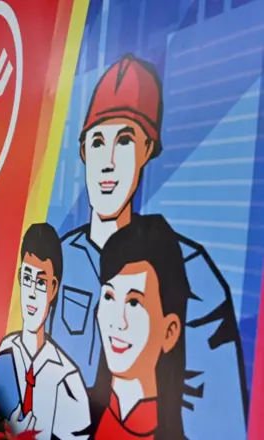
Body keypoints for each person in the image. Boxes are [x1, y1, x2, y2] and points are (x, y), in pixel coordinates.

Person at [48, 54, 247, 438]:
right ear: (84, 151)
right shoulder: (63, 255)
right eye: (98, 141)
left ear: (146, 151)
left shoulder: (193, 274)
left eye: (124, 141)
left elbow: (215, 420)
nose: (108, 162)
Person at [0, 223, 90, 439]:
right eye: (27, 278)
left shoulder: (68, 382)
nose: (31, 293)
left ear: (54, 288)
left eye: (41, 283)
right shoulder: (5, 352)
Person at [92, 214, 188, 440]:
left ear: (170, 331)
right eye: (108, 296)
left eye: (134, 302)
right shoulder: (74, 414)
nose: (117, 321)